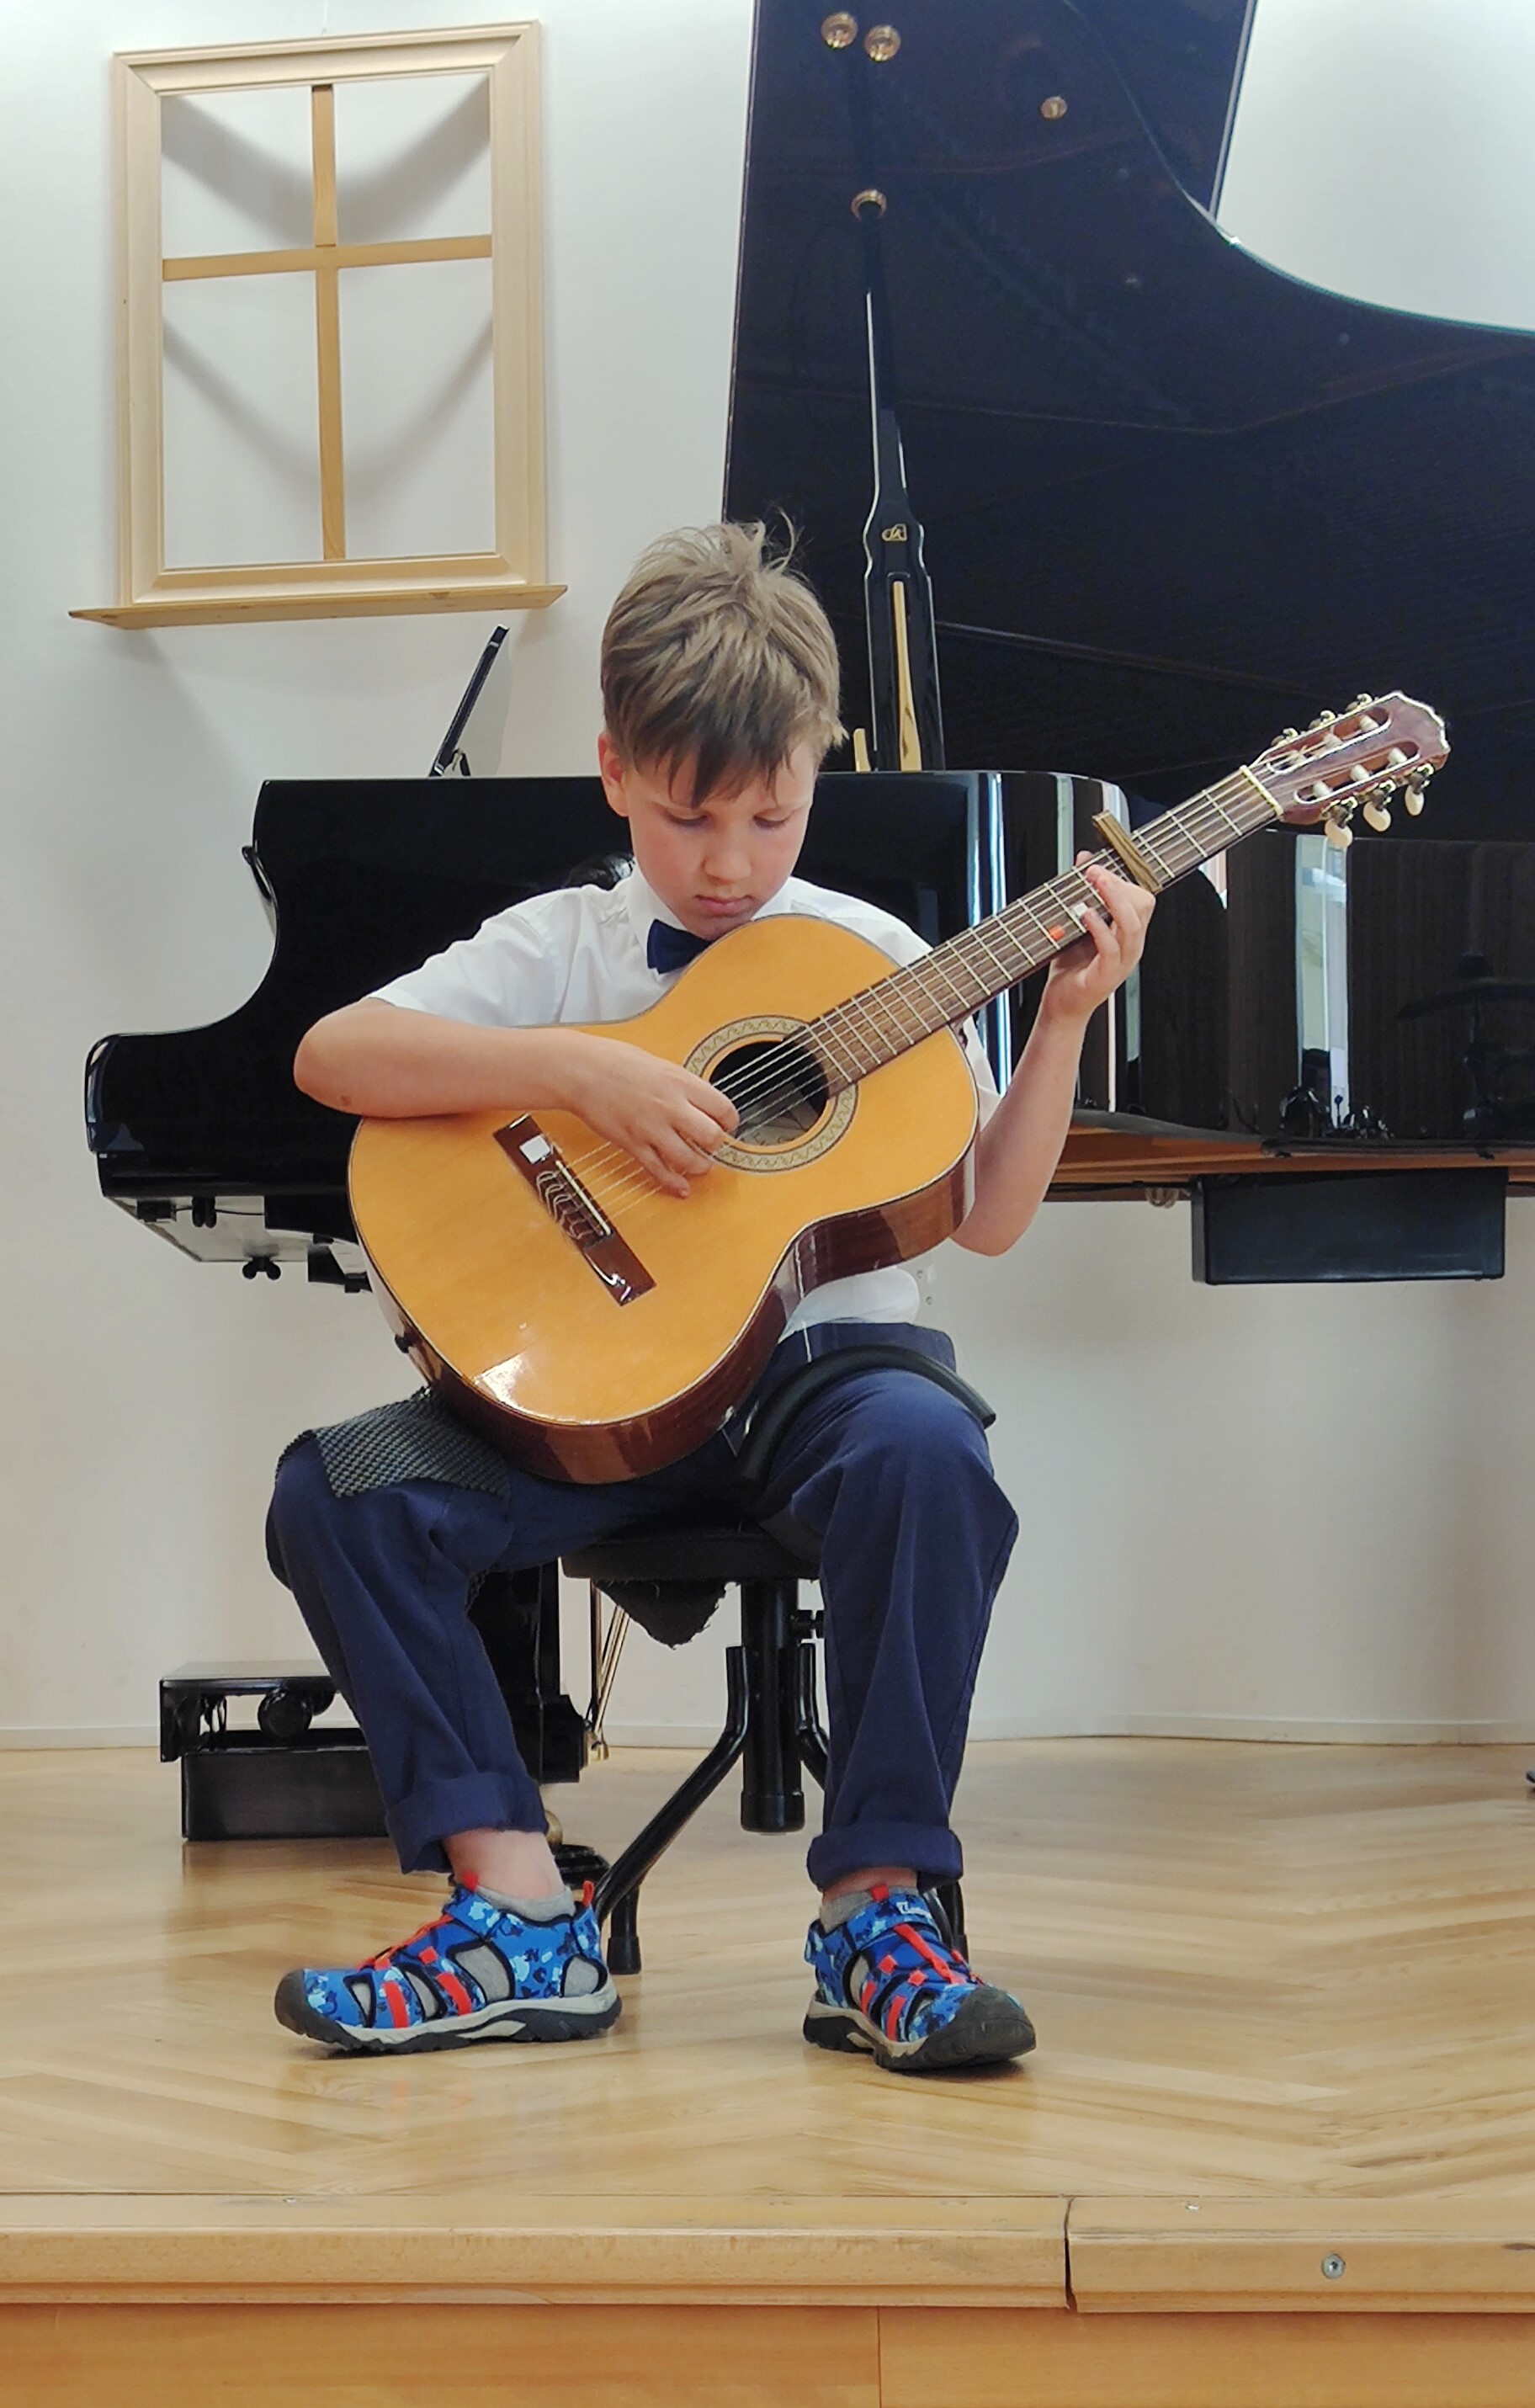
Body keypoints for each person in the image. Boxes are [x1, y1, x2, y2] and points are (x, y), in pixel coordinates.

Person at [266, 523, 1152, 2072]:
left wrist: (1066, 1015)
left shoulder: (874, 958)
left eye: (772, 814)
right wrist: (573, 1067)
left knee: (931, 1452)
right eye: (689, 817)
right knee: (335, 1489)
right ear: (614, 770)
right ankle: (518, 1912)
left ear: (816, 775)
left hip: (824, 1384)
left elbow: (993, 1215)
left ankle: (879, 1914)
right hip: (599, 1402)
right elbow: (332, 1054)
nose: (732, 862)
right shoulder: (564, 946)